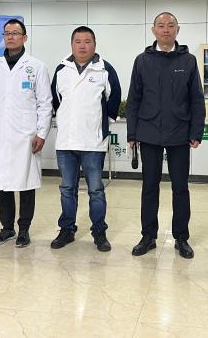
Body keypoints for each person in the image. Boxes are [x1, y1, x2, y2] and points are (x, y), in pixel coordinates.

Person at [126, 12, 205, 259]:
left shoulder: (188, 60)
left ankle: (181, 238)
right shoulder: (142, 60)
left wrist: (196, 131)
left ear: (177, 30)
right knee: (149, 187)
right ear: (153, 30)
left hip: (180, 133)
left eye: (171, 26)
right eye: (161, 26)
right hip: (148, 132)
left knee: (180, 188)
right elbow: (134, 99)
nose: (166, 29)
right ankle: (148, 236)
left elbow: (196, 99)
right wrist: (132, 133)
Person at [0, 19, 52, 248]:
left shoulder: (36, 67)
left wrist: (41, 133)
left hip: (26, 135)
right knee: (2, 183)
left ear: (24, 38)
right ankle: (7, 228)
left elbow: (45, 103)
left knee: (26, 183)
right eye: (7, 33)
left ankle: (24, 230)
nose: (10, 37)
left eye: (15, 33)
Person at [50, 26, 121, 252]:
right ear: (72, 44)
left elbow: (114, 101)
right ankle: (67, 230)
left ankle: (99, 232)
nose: (82, 46)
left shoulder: (105, 69)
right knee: (67, 188)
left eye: (87, 41)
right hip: (66, 142)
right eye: (78, 41)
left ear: (94, 44)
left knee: (96, 190)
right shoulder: (61, 69)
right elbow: (56, 101)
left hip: (93, 142)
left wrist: (99, 127)